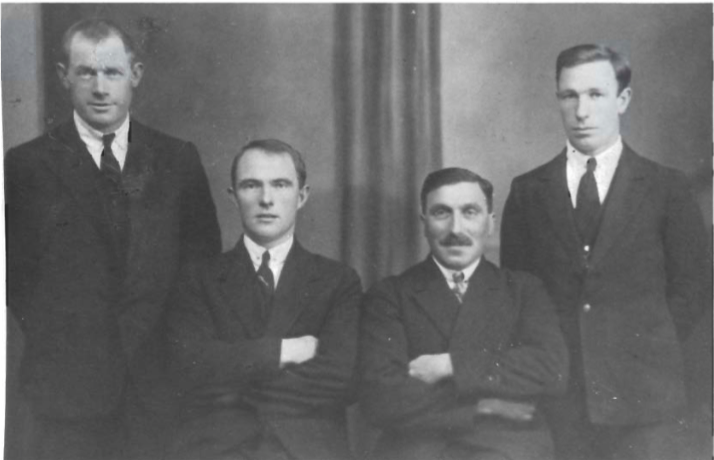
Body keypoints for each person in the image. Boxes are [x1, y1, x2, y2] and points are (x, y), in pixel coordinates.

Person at [4, 18, 222, 460]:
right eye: (86, 72)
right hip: (67, 392)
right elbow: (16, 280)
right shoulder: (26, 166)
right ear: (64, 76)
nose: (100, 88)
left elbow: (202, 269)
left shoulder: (176, 160)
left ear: (135, 74)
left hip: (159, 387)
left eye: (112, 72)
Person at [500, 44, 711, 460]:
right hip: (563, 399)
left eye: (595, 94)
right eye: (569, 96)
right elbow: (518, 294)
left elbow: (692, 285)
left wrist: (648, 344)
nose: (581, 112)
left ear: (623, 99)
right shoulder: (528, 192)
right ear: (558, 99)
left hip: (646, 396)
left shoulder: (668, 188)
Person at [166, 139, 362, 460]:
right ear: (233, 196)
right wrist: (286, 350)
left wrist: (235, 387)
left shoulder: (337, 281)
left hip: (307, 450)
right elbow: (189, 366)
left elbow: (343, 378)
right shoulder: (197, 279)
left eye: (280, 185)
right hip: (216, 450)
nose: (266, 199)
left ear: (302, 196)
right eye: (251, 185)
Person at [359, 167, 568, 460]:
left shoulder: (523, 290)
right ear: (424, 222)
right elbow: (380, 398)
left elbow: (551, 371)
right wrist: (485, 406)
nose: (456, 229)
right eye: (441, 213)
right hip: (418, 448)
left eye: (470, 212)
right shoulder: (389, 295)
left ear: (490, 223)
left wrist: (452, 365)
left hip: (508, 447)